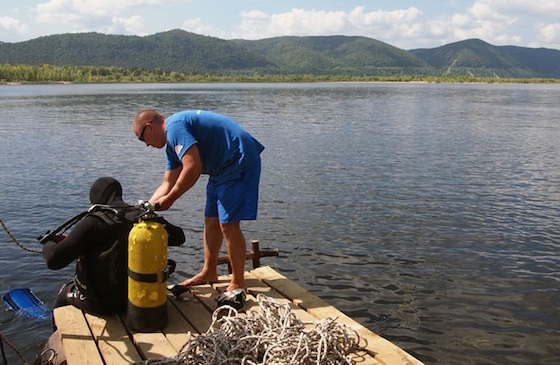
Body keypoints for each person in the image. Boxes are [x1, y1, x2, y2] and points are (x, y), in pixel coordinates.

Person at [133, 109, 264, 308]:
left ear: (149, 127)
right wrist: (146, 208)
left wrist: (170, 200)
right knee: (211, 220)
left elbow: (193, 167)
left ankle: (238, 282)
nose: (147, 145)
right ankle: (209, 271)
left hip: (238, 159)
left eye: (143, 139)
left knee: (228, 224)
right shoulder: (172, 145)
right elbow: (167, 183)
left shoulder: (174, 128)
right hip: (220, 168)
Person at [42, 177, 185, 315]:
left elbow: (54, 261)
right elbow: (179, 238)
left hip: (100, 304)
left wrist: (49, 242)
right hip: (139, 298)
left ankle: (55, 334)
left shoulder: (93, 222)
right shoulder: (142, 216)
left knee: (63, 293)